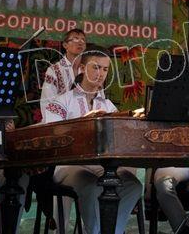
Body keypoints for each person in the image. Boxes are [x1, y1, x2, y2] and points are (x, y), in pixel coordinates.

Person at [42, 47, 142, 234]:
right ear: (81, 68)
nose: (100, 74)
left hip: (102, 167)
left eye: (105, 69)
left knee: (133, 186)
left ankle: (111, 231)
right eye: (95, 67)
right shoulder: (61, 102)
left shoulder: (108, 106)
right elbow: (52, 137)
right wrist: (84, 122)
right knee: (91, 186)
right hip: (68, 165)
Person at [40, 29, 87, 114]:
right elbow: (47, 101)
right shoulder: (54, 70)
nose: (80, 43)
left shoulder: (90, 70)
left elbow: (98, 97)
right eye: (75, 39)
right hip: (60, 119)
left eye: (83, 40)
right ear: (65, 45)